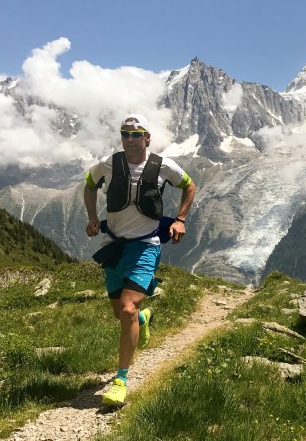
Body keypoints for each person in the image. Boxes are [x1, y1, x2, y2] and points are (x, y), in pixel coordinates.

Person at [83, 113, 196, 406]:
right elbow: (89, 184)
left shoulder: (163, 166)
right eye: (126, 133)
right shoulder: (109, 164)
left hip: (146, 245)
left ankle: (120, 380)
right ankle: (144, 319)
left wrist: (180, 219)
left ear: (147, 138)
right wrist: (93, 218)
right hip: (114, 245)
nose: (131, 139)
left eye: (137, 134)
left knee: (128, 308)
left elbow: (189, 185)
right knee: (120, 314)